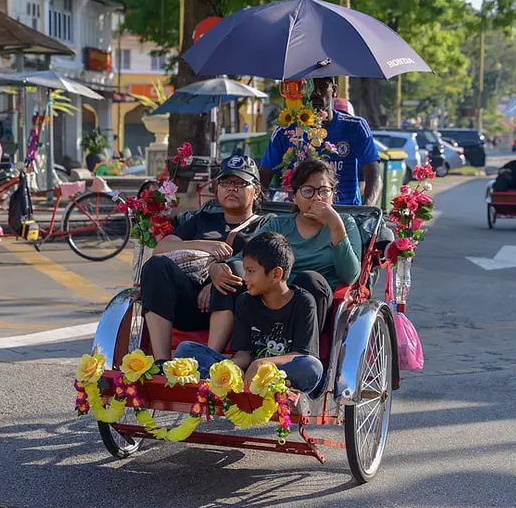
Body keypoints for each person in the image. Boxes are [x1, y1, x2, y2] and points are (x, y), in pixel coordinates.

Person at [210, 159, 361, 338]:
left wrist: (335, 226)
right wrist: (217, 268)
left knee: (309, 279)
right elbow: (244, 258)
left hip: (317, 304)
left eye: (324, 191)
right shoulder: (279, 225)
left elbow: (350, 275)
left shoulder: (345, 224)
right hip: (272, 298)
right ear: (294, 197)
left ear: (333, 194)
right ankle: (220, 350)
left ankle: (299, 351)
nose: (316, 197)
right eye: (307, 191)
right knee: (233, 272)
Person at [140, 155, 269, 361]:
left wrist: (215, 275)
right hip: (191, 304)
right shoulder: (203, 219)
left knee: (231, 270)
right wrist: (203, 244)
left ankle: (210, 361)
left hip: (240, 308)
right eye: (225, 183)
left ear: (256, 191)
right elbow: (161, 248)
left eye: (240, 183)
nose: (231, 188)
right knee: (156, 266)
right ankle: (161, 361)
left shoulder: (267, 224)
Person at [175, 232, 324, 393]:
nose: (245, 278)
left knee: (312, 366)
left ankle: (275, 386)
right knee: (185, 350)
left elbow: (301, 354)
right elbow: (244, 353)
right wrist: (229, 369)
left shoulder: (303, 302)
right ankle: (230, 384)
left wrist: (263, 363)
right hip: (247, 372)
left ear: (276, 274)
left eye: (251, 271)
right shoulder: (246, 301)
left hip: (280, 371)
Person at [259, 77, 381, 206]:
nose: (315, 93)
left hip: (346, 214)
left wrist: (367, 209)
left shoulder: (355, 127)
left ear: (334, 90)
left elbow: (374, 173)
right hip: (299, 216)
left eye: (322, 87)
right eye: (308, 88)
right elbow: (264, 175)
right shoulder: (286, 130)